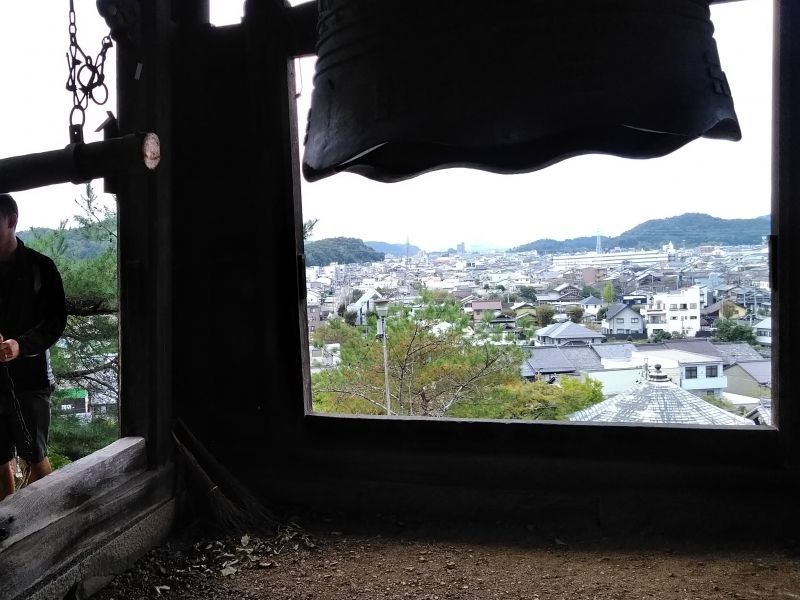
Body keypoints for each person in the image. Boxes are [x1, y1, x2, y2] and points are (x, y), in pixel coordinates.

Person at [0, 193, 67, 501]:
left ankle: (49, 523)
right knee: (0, 461)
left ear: (12, 222)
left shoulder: (40, 268)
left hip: (31, 379)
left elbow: (55, 322)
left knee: (35, 459)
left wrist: (20, 345)